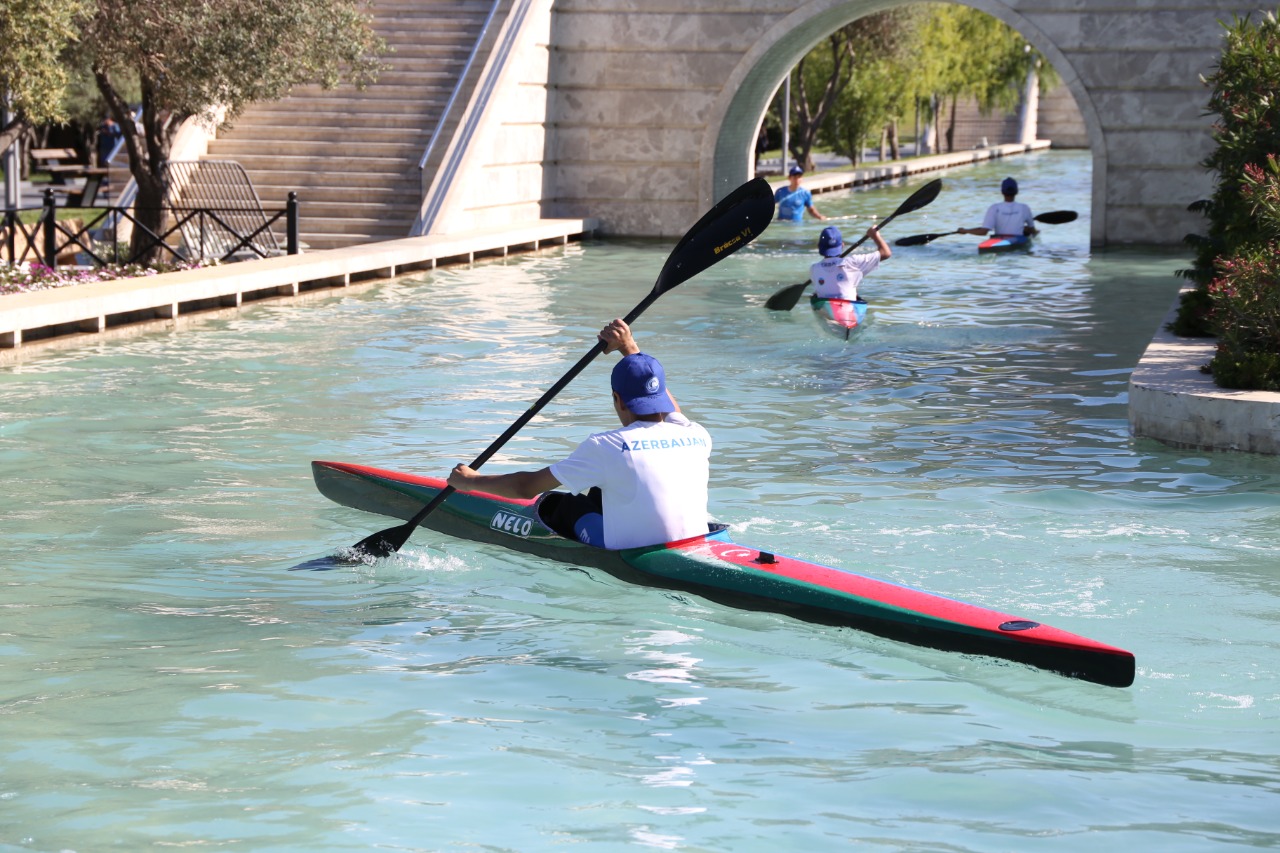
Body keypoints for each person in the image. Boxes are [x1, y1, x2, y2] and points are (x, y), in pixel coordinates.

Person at [447, 319, 712, 550]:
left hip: (634, 552)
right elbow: (671, 408)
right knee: (601, 491)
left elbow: (524, 488)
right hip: (697, 542)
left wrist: (470, 481)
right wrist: (629, 348)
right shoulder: (697, 434)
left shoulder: (607, 446)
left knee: (563, 504)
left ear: (617, 399)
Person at [810, 224, 890, 301]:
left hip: (826, 308)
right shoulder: (853, 262)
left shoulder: (814, 268)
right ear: (842, 245)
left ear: (818, 246)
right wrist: (875, 236)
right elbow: (886, 253)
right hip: (849, 309)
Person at [958, 177, 1037, 238]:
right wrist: (1034, 232)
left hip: (998, 241)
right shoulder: (1024, 208)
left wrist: (965, 230)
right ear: (1016, 192)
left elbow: (983, 231)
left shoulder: (994, 208)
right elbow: (1032, 230)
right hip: (1019, 242)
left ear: (1002, 192)